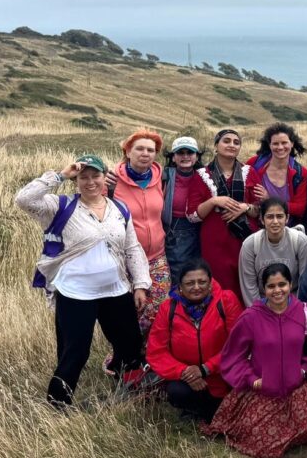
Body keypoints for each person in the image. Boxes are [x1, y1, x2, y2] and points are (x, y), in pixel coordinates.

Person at [16, 154, 149, 408]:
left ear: (104, 178)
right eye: (83, 177)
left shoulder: (119, 209)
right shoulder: (60, 207)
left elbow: (132, 248)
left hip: (115, 290)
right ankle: (58, 406)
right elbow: (24, 199)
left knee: (129, 344)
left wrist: (141, 284)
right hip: (76, 293)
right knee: (75, 352)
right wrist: (60, 175)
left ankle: (126, 390)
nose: (90, 182)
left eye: (95, 176)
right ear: (76, 181)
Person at [203, 263, 307, 458]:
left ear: (291, 284)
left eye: (282, 284)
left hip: (297, 387)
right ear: (264, 289)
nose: (277, 290)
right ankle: (283, 433)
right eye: (271, 286)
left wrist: (304, 370)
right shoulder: (251, 317)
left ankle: (291, 433)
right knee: (259, 441)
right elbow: (234, 356)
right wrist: (252, 379)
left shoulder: (305, 312)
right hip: (263, 389)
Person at [146, 258, 242, 420]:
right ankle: (194, 409)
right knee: (176, 391)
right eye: (190, 283)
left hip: (223, 376)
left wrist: (206, 368)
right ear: (180, 287)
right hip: (187, 379)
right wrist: (185, 372)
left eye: (202, 282)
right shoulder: (168, 308)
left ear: (210, 283)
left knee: (223, 409)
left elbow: (238, 344)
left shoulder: (226, 301)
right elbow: (156, 351)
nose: (196, 287)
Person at [109, 129, 169, 334]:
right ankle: (125, 355)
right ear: (127, 151)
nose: (146, 154)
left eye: (151, 150)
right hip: (124, 258)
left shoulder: (160, 178)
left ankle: (145, 351)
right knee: (128, 309)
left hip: (157, 257)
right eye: (140, 149)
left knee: (157, 307)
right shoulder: (111, 181)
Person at [189, 128, 252, 298]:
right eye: (226, 141)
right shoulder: (202, 175)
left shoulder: (250, 173)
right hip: (214, 242)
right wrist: (214, 201)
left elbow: (261, 209)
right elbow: (192, 215)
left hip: (243, 241)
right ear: (216, 145)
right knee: (218, 287)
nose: (231, 145)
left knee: (244, 286)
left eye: (236, 142)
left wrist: (245, 207)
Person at [239, 198, 307, 305]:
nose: (275, 222)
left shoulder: (300, 241)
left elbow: (305, 283)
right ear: (262, 219)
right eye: (270, 217)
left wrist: (296, 310)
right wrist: (259, 314)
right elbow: (249, 287)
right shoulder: (250, 245)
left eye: (279, 216)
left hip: (294, 303)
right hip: (263, 304)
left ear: (287, 218)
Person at [244, 122, 307, 230]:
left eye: (284, 143)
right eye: (275, 143)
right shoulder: (254, 164)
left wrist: (269, 200)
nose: (280, 147)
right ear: (269, 145)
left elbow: (300, 208)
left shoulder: (301, 173)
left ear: (292, 143)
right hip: (255, 228)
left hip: (286, 230)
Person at [161, 136, 204, 274]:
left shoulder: (205, 176)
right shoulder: (164, 176)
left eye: (190, 153)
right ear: (173, 157)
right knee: (179, 272)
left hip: (201, 229)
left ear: (197, 156)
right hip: (174, 231)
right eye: (180, 153)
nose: (185, 156)